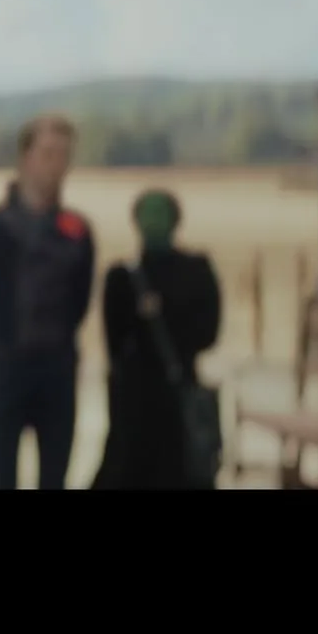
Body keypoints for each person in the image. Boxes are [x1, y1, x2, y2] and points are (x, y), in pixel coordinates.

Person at [0, 113, 94, 490]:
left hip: (57, 373)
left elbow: (80, 303)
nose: (57, 164)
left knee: (55, 478)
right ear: (25, 158)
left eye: (64, 155)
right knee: (2, 478)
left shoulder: (77, 233)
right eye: (48, 153)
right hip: (4, 371)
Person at [91, 189, 222, 490]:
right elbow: (208, 334)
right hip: (177, 392)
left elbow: (113, 346)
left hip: (134, 406)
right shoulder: (197, 271)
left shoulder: (122, 277)